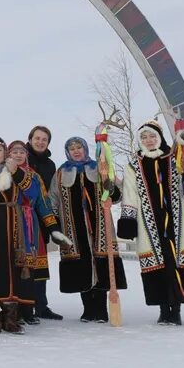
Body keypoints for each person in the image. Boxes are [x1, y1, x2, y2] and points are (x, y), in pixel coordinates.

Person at [0, 136, 71, 336]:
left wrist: (16, 173)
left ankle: (11, 319)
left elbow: (34, 194)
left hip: (15, 227)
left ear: (4, 154)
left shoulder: (19, 173)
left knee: (13, 270)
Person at [117, 120, 184, 326]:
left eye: (152, 136)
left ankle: (177, 308)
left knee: (176, 260)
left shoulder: (176, 158)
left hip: (176, 220)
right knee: (158, 263)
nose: (148, 141)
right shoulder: (134, 165)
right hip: (150, 223)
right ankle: (164, 308)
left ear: (160, 137)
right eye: (144, 137)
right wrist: (128, 222)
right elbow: (130, 194)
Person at [49, 136, 127, 322]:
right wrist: (55, 224)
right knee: (81, 265)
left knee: (100, 262)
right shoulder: (61, 173)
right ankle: (87, 308)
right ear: (68, 152)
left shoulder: (99, 167)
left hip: (99, 225)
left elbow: (115, 195)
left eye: (79, 147)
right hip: (72, 229)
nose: (76, 151)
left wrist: (109, 179)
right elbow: (53, 199)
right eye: (72, 148)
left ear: (85, 149)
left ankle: (100, 309)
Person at [6, 139, 66, 325]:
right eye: (14, 152)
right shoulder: (2, 174)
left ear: (26, 155)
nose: (18, 155)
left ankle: (35, 307)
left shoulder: (35, 176)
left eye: (21, 152)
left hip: (31, 224)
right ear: (8, 155)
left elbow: (43, 203)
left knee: (36, 268)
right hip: (11, 222)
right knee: (14, 268)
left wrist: (53, 228)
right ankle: (14, 310)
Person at [25, 124, 63, 321]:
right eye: (37, 138)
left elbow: (49, 194)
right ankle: (25, 305)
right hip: (23, 218)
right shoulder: (21, 158)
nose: (40, 142)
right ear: (30, 139)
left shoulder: (50, 165)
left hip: (41, 218)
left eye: (44, 139)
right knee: (24, 263)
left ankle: (41, 305)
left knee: (41, 263)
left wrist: (52, 222)